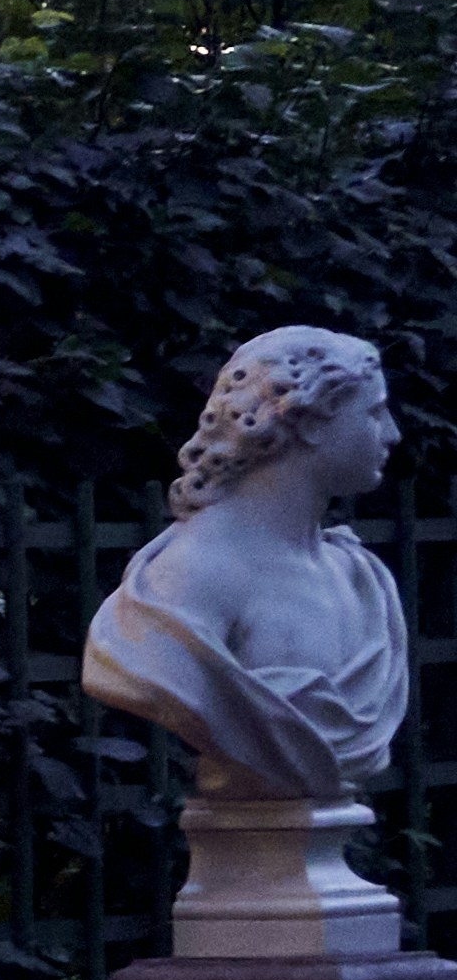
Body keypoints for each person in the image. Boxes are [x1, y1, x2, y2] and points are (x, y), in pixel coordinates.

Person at [84, 326, 406, 806]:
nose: (392, 434)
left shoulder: (361, 579)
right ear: (309, 420)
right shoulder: (194, 572)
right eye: (375, 413)